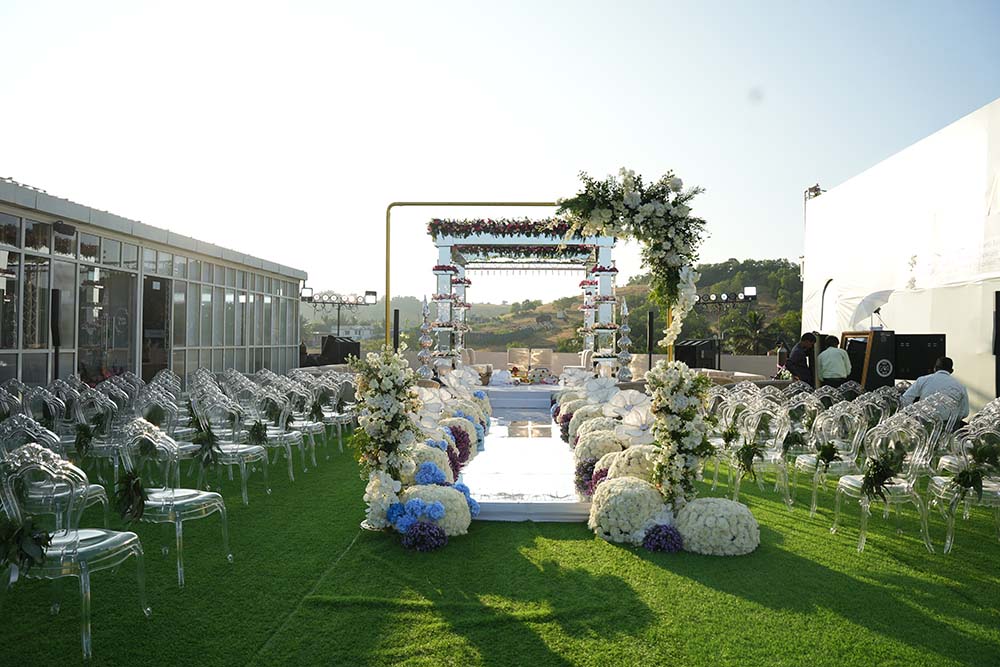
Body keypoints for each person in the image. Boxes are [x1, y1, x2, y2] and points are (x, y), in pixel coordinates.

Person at [901, 356, 970, 428]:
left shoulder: (923, 380)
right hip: (947, 427)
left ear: (935, 368)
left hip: (924, 425)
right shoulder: (960, 386)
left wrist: (915, 415)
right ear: (951, 371)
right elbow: (965, 412)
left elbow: (905, 399)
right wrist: (952, 419)